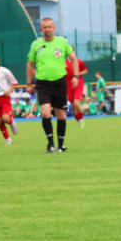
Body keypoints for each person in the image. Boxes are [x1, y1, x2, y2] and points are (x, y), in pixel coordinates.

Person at [26, 16, 77, 153]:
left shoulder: (62, 42)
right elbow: (30, 64)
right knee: (45, 112)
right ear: (41, 29)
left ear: (54, 28)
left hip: (59, 83)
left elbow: (74, 59)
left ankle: (61, 145)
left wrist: (76, 76)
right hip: (42, 84)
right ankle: (50, 144)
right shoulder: (36, 45)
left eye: (49, 27)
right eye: (44, 27)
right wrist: (29, 82)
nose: (47, 29)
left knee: (61, 115)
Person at [66, 55, 89, 128]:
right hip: (68, 85)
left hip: (78, 83)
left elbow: (85, 70)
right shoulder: (64, 62)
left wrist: (77, 74)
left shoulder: (79, 61)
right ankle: (79, 121)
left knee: (76, 103)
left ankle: (81, 120)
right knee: (73, 106)